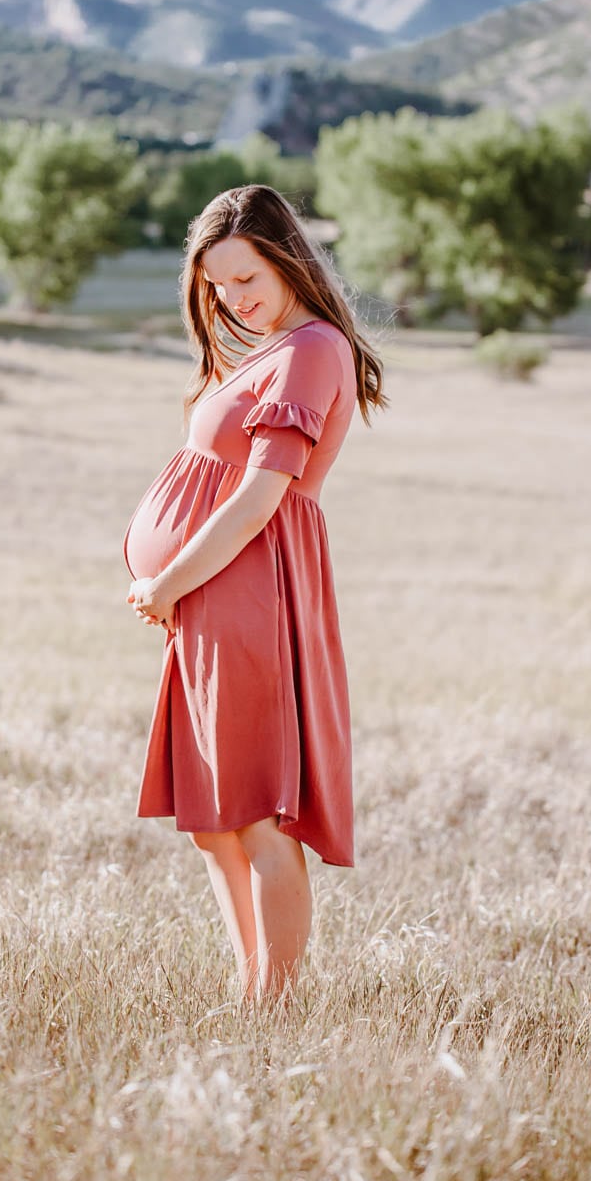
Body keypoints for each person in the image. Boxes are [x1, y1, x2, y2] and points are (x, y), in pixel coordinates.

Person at [123, 183, 385, 1003]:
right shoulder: (275, 347)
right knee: (212, 818)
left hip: (246, 595)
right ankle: (250, 988)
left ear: (286, 257)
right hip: (213, 599)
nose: (234, 300)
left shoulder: (311, 349)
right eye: (218, 287)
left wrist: (166, 580)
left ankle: (276, 1003)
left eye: (247, 279)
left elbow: (256, 499)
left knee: (255, 814)